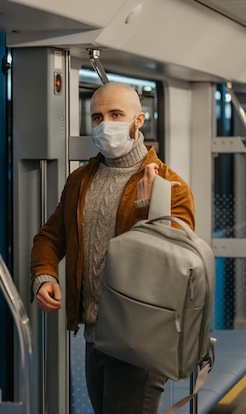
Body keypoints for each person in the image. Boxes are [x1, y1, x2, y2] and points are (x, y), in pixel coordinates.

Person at [30, 81, 195, 414]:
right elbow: (50, 237)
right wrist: (44, 275)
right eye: (96, 117)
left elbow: (174, 265)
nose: (105, 124)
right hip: (95, 338)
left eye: (116, 114)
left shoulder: (170, 185)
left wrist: (149, 205)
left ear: (139, 120)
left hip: (141, 340)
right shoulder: (80, 180)